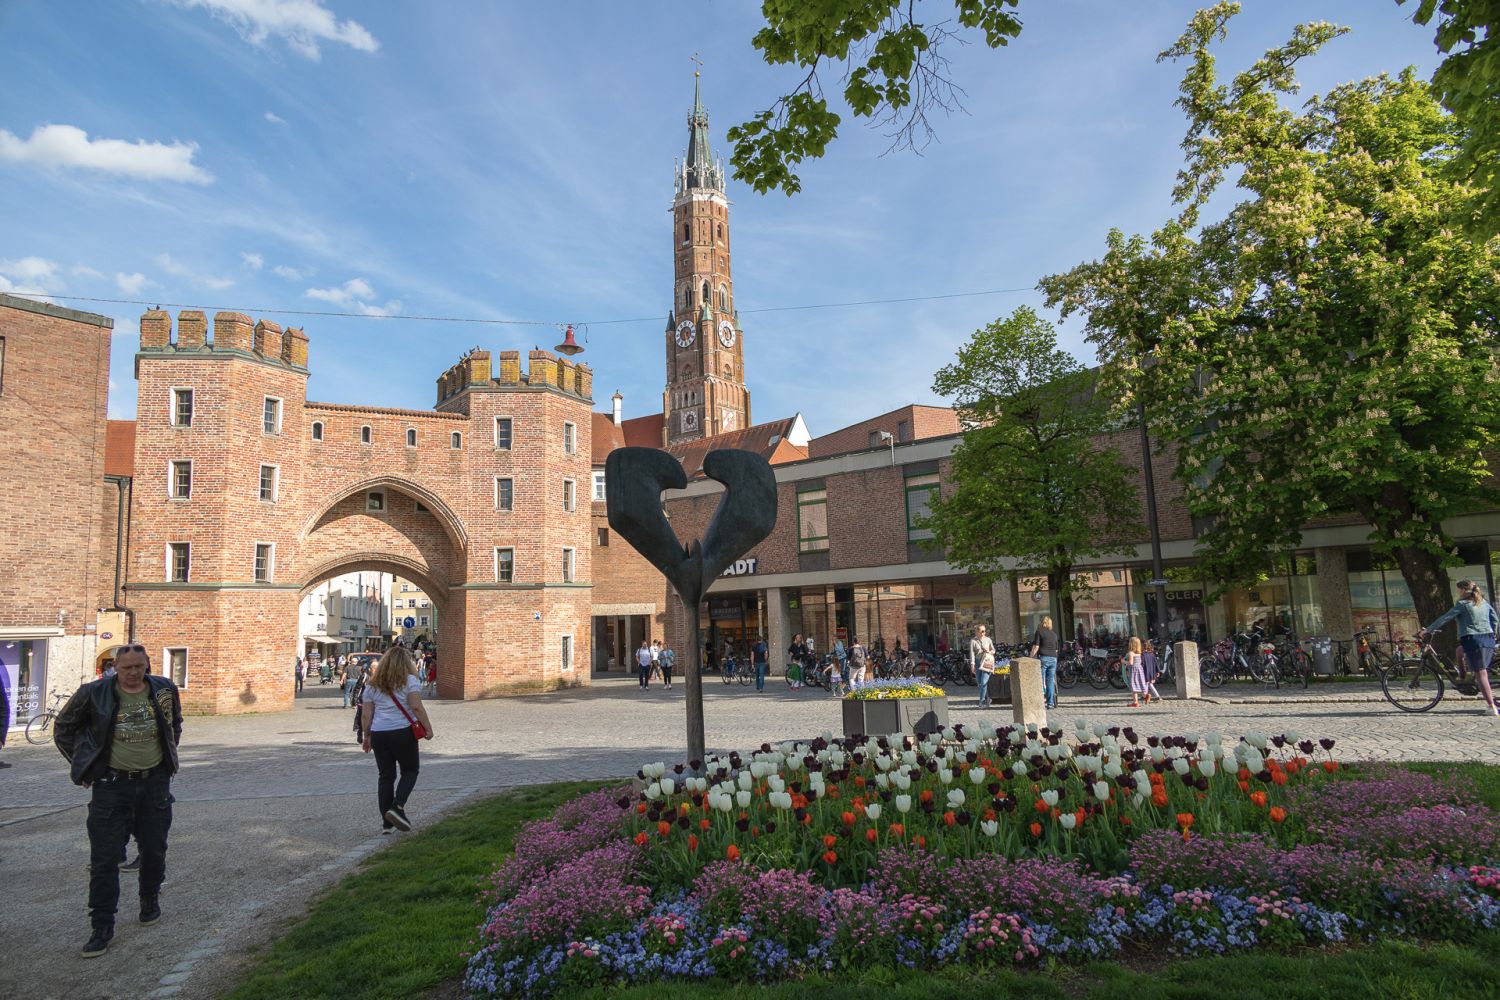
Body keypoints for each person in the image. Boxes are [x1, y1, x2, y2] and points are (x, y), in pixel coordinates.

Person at [53, 643, 183, 958]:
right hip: (111, 786)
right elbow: (63, 728)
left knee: (154, 849)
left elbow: (174, 724)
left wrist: (166, 761)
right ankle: (101, 926)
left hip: (154, 783)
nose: (133, 673)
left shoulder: (164, 689)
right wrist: (85, 766)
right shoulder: (94, 693)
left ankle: (149, 899)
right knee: (104, 858)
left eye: (139, 666)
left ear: (147, 665)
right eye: (126, 668)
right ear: (115, 667)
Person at [360, 647, 434, 834]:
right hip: (402, 732)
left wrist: (367, 736)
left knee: (386, 776)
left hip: (379, 734)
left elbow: (366, 715)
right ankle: (397, 806)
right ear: (406, 663)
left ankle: (387, 824)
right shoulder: (410, 681)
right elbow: (416, 706)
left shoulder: (372, 684)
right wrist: (428, 728)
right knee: (410, 770)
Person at [1420, 579, 1500, 716]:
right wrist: (1492, 634)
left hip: (1473, 640)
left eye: (1459, 590)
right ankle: (1462, 678)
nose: (1458, 593)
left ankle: (1491, 706)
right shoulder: (1483, 603)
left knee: (1481, 674)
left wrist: (1428, 629)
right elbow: (1495, 619)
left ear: (1463, 590)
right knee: (1459, 651)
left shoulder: (1463, 605)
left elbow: (1446, 617)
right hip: (1488, 639)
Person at [1029, 616, 1059, 710]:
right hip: (1053, 659)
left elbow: (1036, 647)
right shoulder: (1054, 634)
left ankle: (1041, 700)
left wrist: (1030, 657)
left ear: (1042, 623)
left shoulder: (1039, 632)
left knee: (1040, 680)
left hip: (1044, 658)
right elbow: (1056, 650)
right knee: (1050, 681)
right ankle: (1050, 703)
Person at [970, 625, 997, 707]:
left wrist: (989, 651)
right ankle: (988, 698)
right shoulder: (973, 641)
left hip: (986, 662)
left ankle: (981, 702)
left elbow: (993, 650)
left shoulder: (988, 640)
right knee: (979, 683)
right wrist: (972, 664)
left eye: (984, 631)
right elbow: (972, 653)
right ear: (977, 632)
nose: (984, 633)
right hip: (978, 663)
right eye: (982, 631)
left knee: (983, 682)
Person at [1126, 636, 1147, 708]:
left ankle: (1135, 702)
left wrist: (1123, 661)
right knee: (1140, 683)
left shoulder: (1131, 653)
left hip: (1133, 671)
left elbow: (1131, 663)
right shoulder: (1139, 653)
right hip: (1139, 670)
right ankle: (1146, 695)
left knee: (1133, 686)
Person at [1141, 641, 1163, 705]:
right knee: (1150, 684)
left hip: (1145, 672)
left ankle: (1146, 696)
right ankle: (1156, 696)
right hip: (1151, 672)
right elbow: (1156, 663)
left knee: (1146, 684)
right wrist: (1157, 671)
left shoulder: (1142, 655)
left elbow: (1142, 664)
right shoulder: (1152, 654)